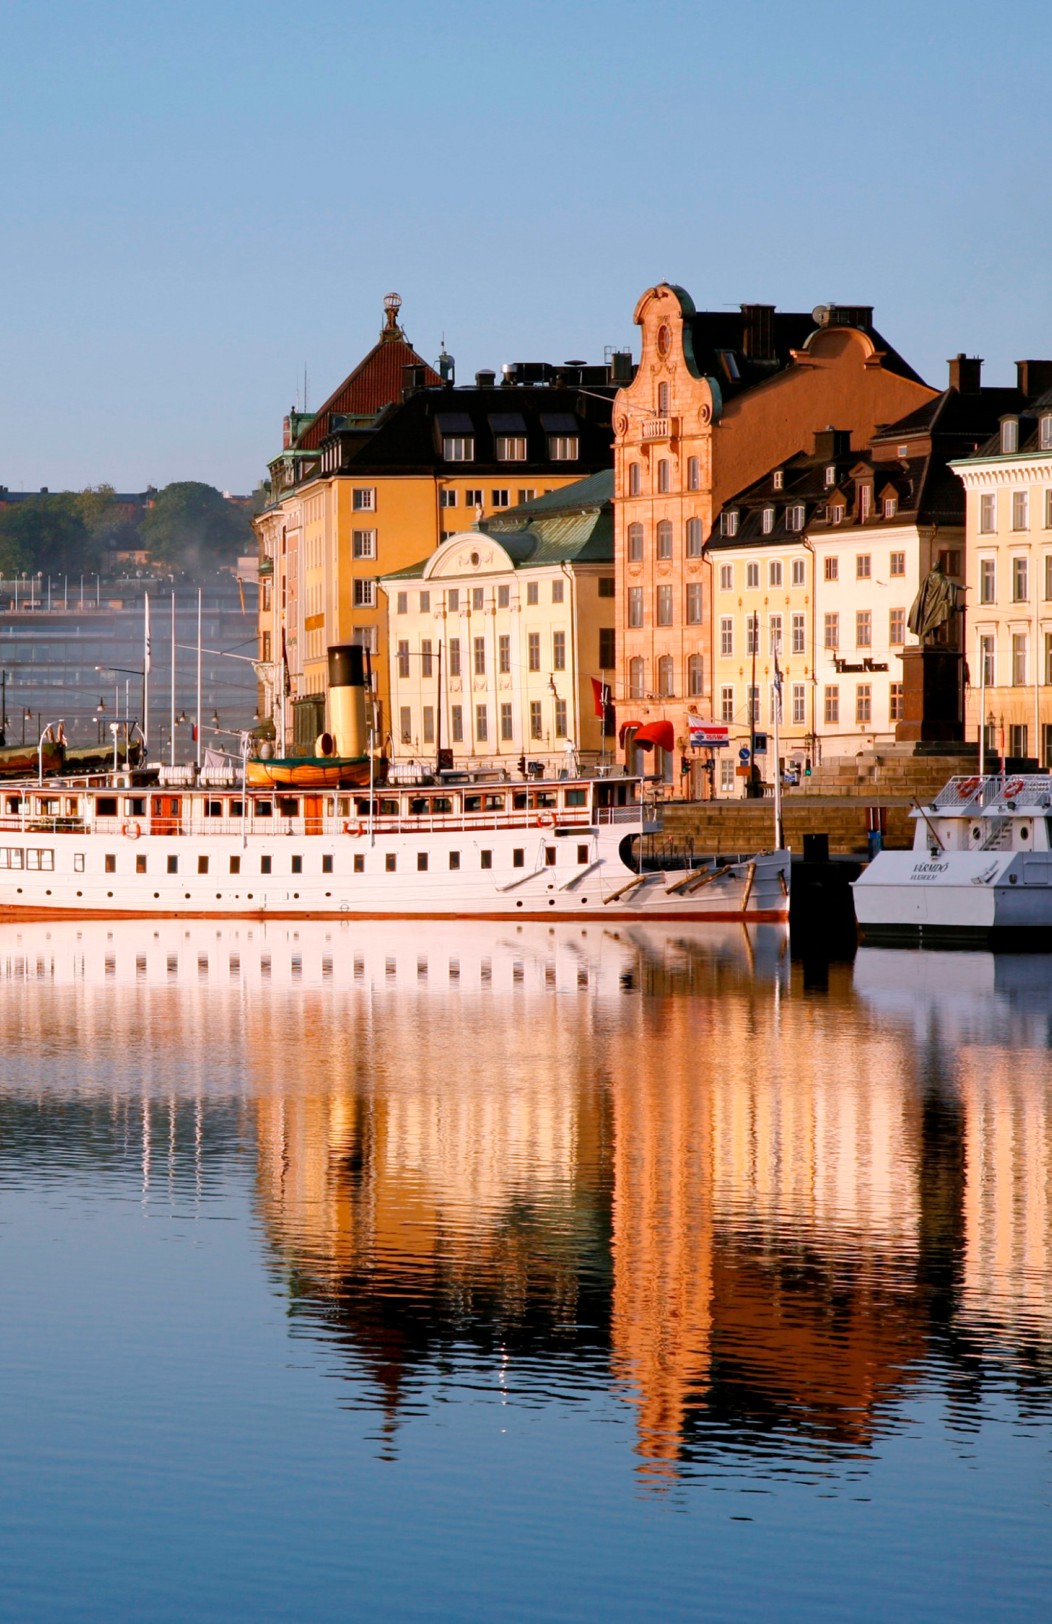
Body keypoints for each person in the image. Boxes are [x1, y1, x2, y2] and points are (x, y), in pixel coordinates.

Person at [908, 560, 961, 642]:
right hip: (935, 603)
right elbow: (947, 584)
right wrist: (961, 587)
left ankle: (934, 639)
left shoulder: (928, 576)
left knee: (936, 621)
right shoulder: (939, 576)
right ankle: (923, 636)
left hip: (927, 603)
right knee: (934, 620)